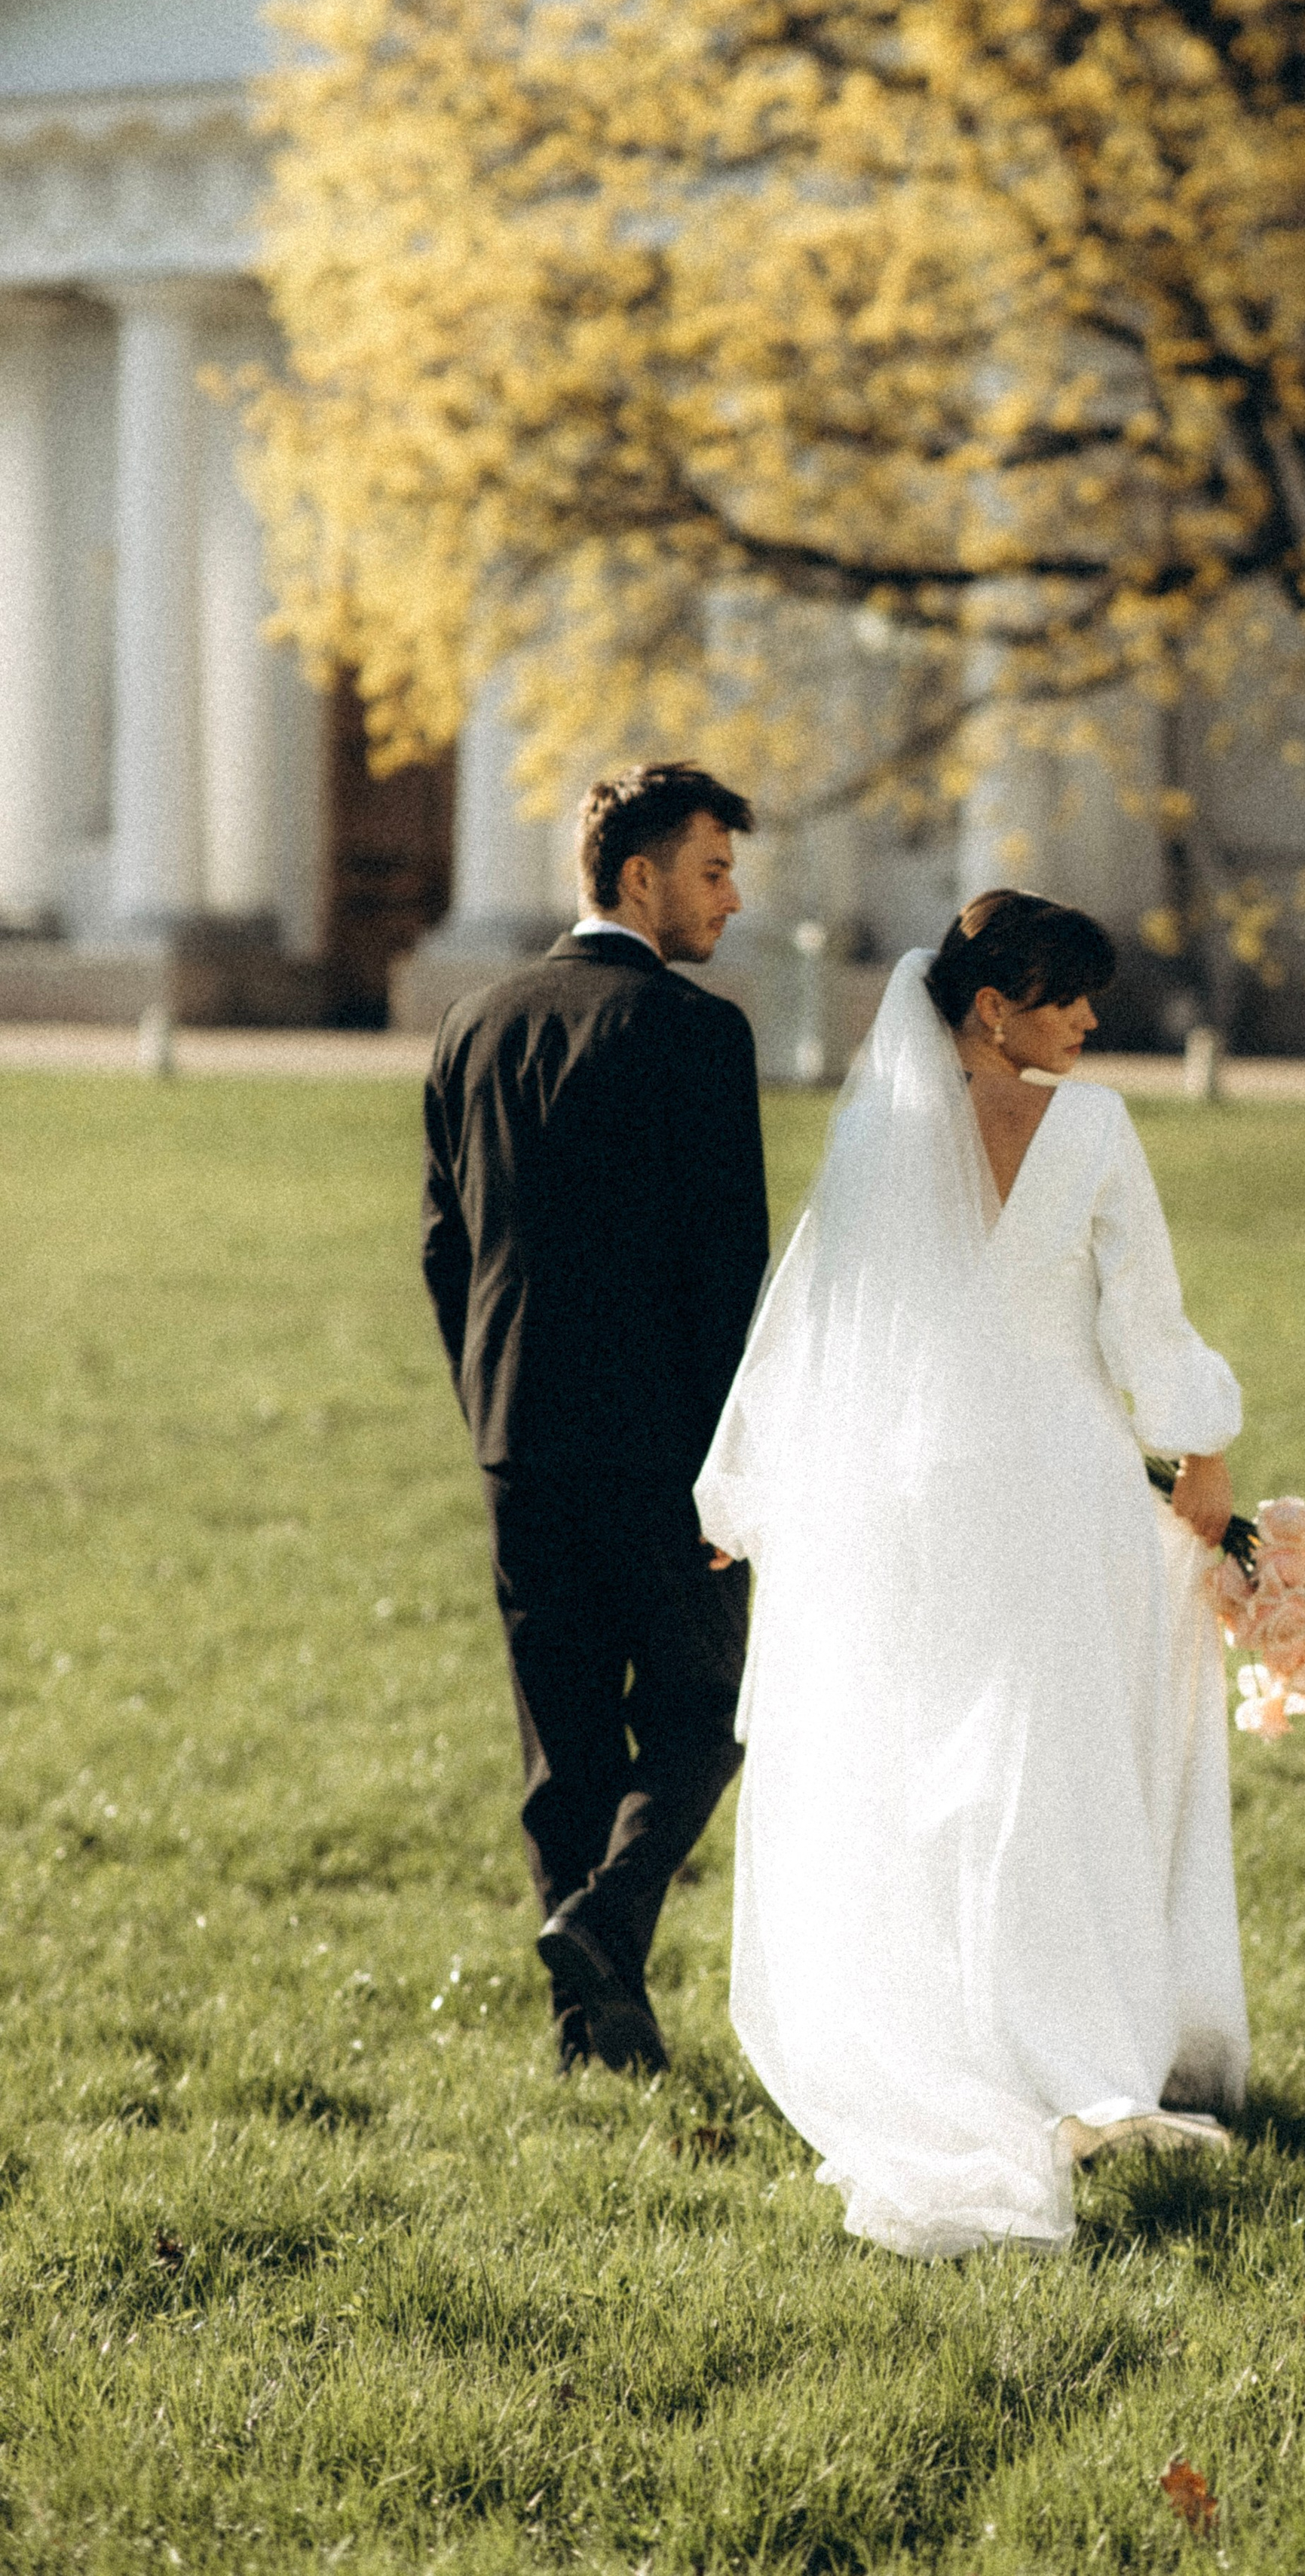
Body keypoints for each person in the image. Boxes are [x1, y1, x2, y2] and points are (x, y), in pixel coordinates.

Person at [697, 891, 1248, 2256]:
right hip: (1054, 1480)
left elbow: (814, 1317)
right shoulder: (1097, 1128)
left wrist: (750, 1489)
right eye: (1068, 996)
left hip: (912, 1486)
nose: (1090, 1020)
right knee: (1054, 1755)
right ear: (995, 1007)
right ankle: (1067, 2036)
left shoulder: (880, 1129)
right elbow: (1148, 1315)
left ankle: (955, 2027)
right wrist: (1202, 1454)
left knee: (922, 1753)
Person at [422, 761, 768, 2077]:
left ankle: (595, 2036)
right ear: (641, 877)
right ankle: (609, 1912)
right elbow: (724, 1270)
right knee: (703, 1711)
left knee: (563, 1747)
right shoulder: (698, 1034)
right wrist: (737, 1470)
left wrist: (491, 1405)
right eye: (713, 871)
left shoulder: (473, 1021)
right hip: (666, 1449)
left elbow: (443, 1249)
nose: (732, 901)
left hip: (516, 1435)